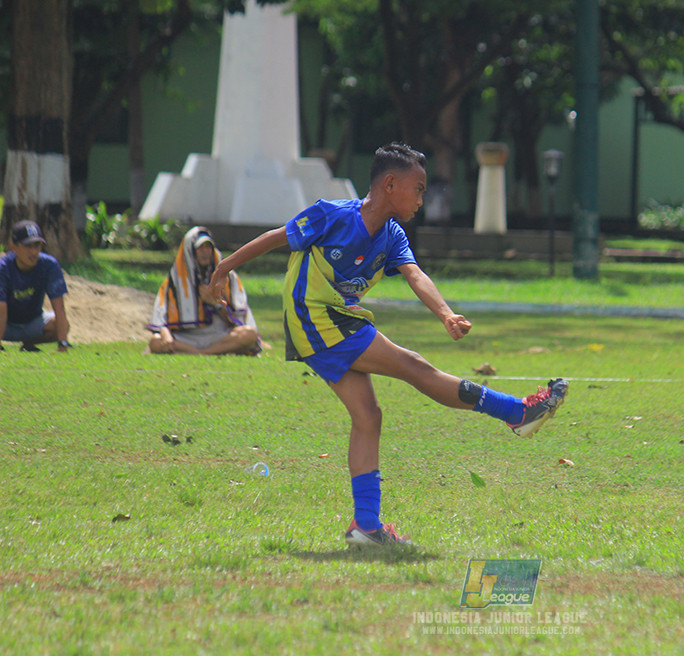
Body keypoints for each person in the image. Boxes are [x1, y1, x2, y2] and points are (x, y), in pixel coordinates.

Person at [209, 142, 568, 548]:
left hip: (338, 319)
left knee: (368, 416)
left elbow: (415, 275)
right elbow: (277, 238)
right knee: (412, 366)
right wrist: (223, 268)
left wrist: (446, 313)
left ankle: (366, 527)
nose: (421, 198)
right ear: (391, 184)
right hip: (312, 316)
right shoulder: (332, 214)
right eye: (418, 188)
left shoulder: (393, 234)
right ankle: (516, 412)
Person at [148, 226, 261, 355]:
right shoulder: (174, 280)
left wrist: (215, 304)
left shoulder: (226, 276)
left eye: (208, 248)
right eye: (200, 248)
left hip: (218, 335)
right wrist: (166, 335)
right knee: (155, 341)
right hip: (186, 337)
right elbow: (160, 318)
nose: (205, 252)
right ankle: (203, 352)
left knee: (248, 334)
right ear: (190, 252)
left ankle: (201, 352)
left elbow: (238, 320)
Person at [0, 220, 72, 353]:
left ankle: (29, 344)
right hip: (5, 325)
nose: (33, 252)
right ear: (14, 248)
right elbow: (1, 310)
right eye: (28, 246)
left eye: (37, 245)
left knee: (61, 325)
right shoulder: (3, 268)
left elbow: (59, 308)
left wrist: (62, 344)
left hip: (32, 322)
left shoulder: (49, 265)